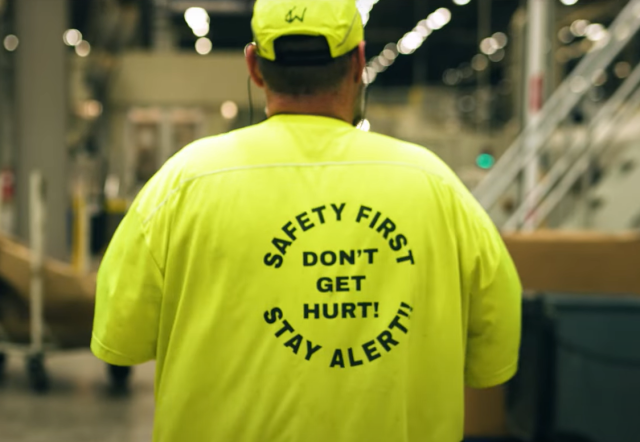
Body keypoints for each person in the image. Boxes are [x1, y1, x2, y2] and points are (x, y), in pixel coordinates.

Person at [91, 1, 522, 441]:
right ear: (358, 62)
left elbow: (121, 334)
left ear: (254, 66)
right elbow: (496, 347)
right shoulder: (435, 186)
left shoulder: (184, 182)